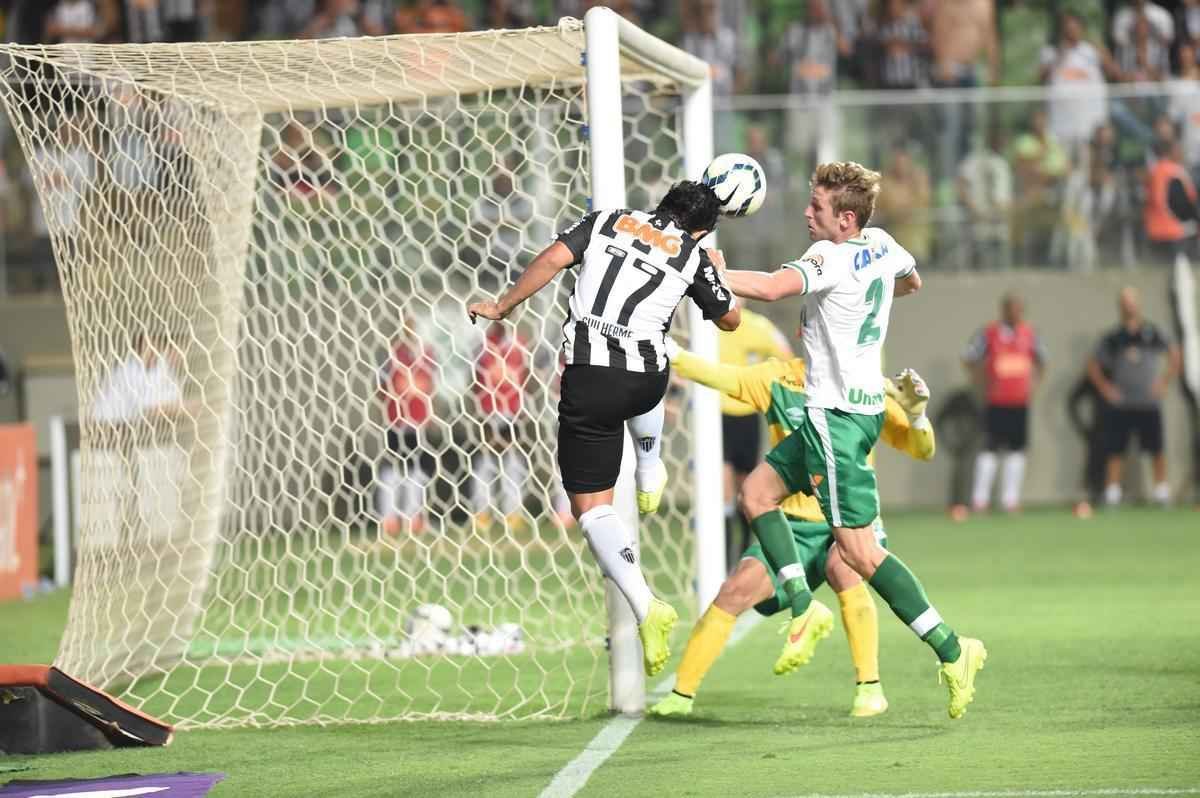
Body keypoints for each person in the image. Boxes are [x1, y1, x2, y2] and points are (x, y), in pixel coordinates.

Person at [721, 161, 986, 720]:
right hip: (851, 409)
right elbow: (911, 283)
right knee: (756, 494)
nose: (805, 214)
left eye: (816, 208)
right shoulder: (883, 244)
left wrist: (700, 268)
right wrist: (846, 311)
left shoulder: (828, 256)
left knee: (860, 552)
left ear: (844, 220)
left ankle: (954, 650)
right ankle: (801, 606)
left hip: (835, 421)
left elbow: (770, 288)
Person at [466, 181, 741, 677]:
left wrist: (502, 306)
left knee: (591, 511)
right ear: (701, 229)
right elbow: (730, 321)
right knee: (654, 353)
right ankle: (650, 467)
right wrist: (715, 272)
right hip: (649, 385)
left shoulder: (605, 220)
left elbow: (550, 259)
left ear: (661, 205)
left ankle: (646, 606)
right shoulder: (693, 255)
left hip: (591, 380)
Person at [649, 338, 935, 719]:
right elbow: (723, 376)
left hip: (847, 519)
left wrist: (917, 417)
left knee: (843, 566)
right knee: (736, 590)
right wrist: (670, 350)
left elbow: (920, 449)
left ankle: (870, 688)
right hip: (790, 526)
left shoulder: (867, 388)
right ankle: (680, 695)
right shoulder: (778, 378)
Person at [1087, 287, 1182, 507]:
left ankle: (1161, 490)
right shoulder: (1113, 337)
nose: (1129, 306)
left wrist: (1164, 382)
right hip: (1122, 404)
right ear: (1120, 306)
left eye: (1132, 302)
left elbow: (1175, 354)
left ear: (1138, 304)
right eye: (1124, 302)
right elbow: (1092, 365)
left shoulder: (1152, 332)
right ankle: (1112, 492)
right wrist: (1106, 389)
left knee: (1156, 448)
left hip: (1148, 402)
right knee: (1116, 449)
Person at [715, 309, 792, 569]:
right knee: (723, 487)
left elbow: (786, 356)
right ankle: (723, 562)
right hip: (717, 416)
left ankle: (742, 554)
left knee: (745, 489)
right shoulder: (707, 327)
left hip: (748, 416)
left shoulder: (760, 326)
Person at [963, 293, 1045, 514]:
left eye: (1019, 309)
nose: (1015, 313)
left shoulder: (1030, 334)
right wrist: (980, 383)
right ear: (1004, 310)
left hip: (1019, 402)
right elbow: (969, 358)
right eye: (1011, 308)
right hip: (995, 401)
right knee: (989, 448)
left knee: (1017, 450)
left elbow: (1041, 361)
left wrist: (1033, 386)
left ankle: (1010, 500)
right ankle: (980, 500)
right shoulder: (988, 333)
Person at [376, 320, 436, 537]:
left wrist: (429, 413)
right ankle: (389, 519)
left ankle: (413, 518)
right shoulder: (391, 356)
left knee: (417, 471)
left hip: (419, 423)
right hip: (396, 422)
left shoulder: (427, 355)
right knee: (392, 470)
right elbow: (380, 388)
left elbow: (431, 386)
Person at [1143, 137, 1199, 266]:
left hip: (1153, 230)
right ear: (1171, 152)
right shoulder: (1175, 172)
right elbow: (1183, 204)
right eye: (1178, 149)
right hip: (1175, 231)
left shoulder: (1153, 171)